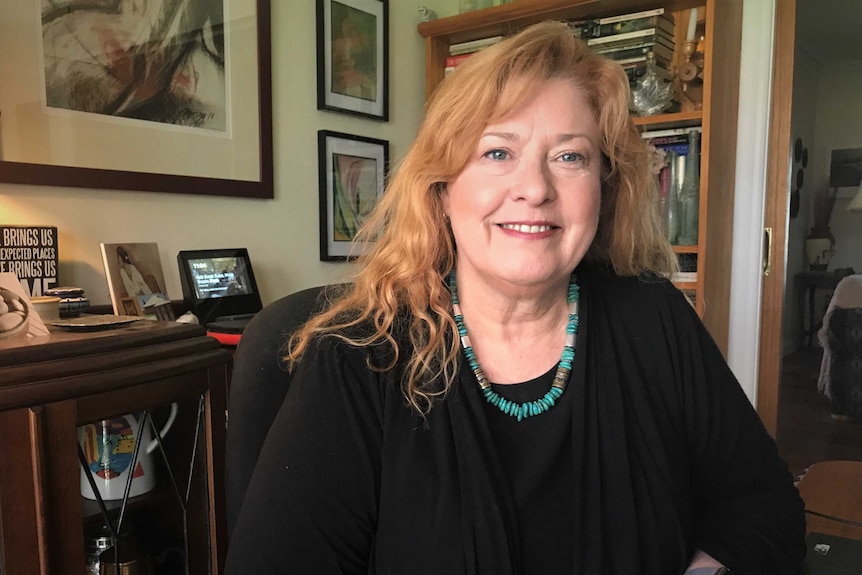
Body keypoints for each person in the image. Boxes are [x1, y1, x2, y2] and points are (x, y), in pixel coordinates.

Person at [225, 21, 806, 574]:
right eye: (497, 153)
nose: (534, 189)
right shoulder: (357, 356)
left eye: (569, 156)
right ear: (443, 188)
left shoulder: (656, 319)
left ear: (603, 187)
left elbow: (764, 503)